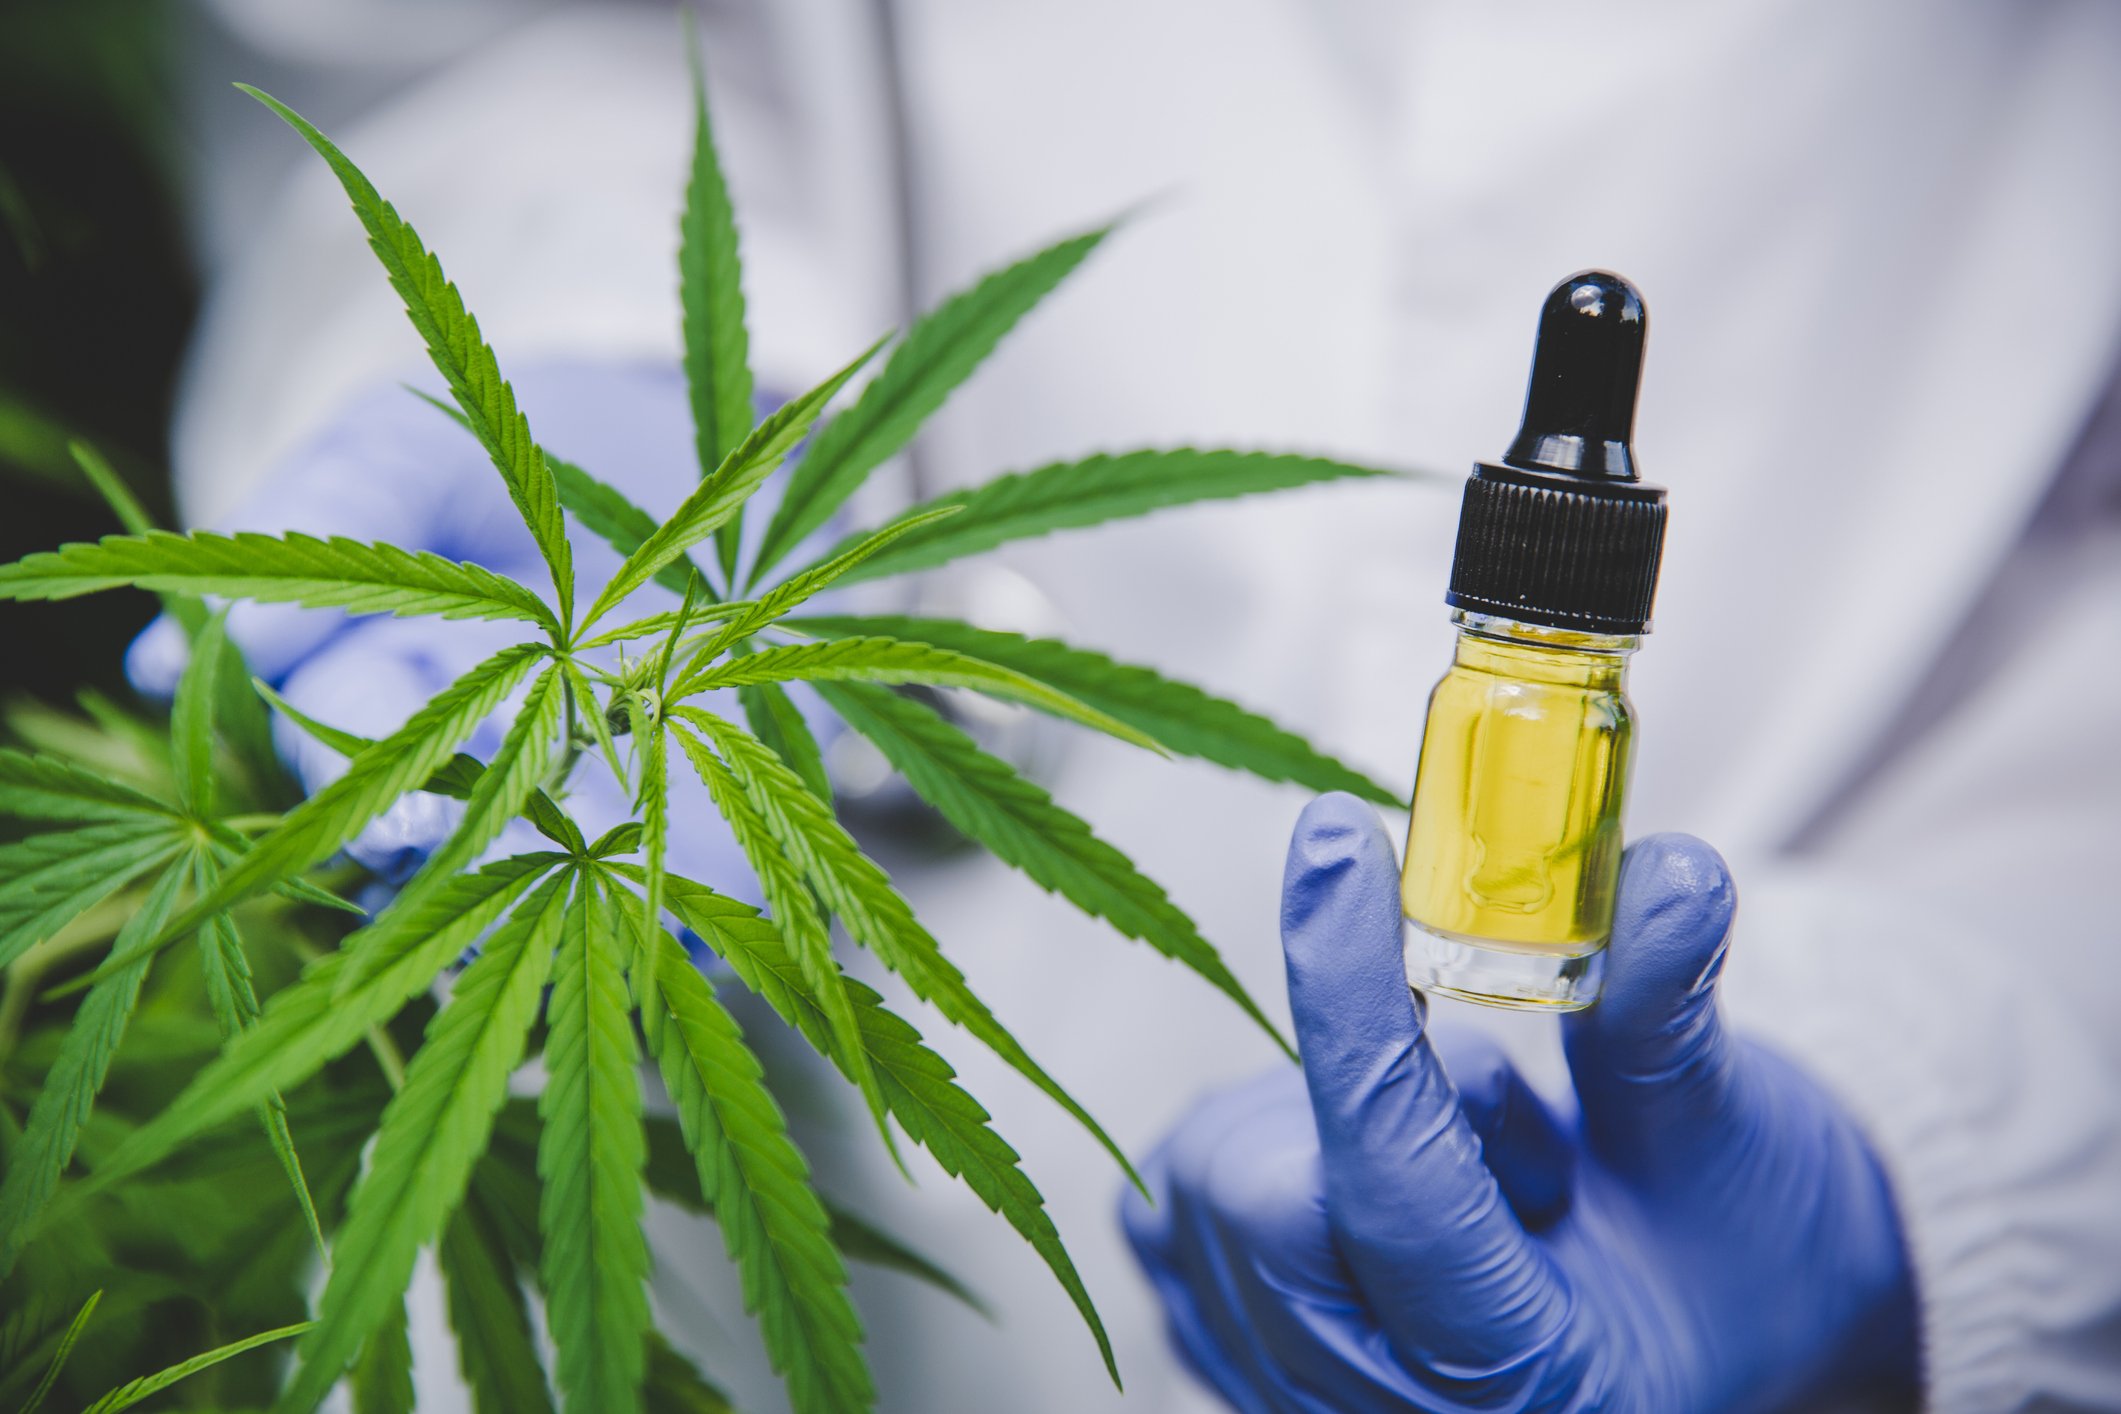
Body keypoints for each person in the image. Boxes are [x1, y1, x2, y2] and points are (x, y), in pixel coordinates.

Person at [136, 1, 2121, 1408]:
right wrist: (582, 329)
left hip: (1901, 876)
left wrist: (1915, 1148)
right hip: (774, 1031)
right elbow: (460, 37)